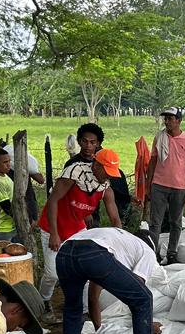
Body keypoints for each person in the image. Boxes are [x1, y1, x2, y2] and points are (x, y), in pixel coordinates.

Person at [56, 227, 168, 334]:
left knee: (72, 309)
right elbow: (136, 297)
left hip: (65, 253)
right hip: (93, 252)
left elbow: (93, 296)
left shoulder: (117, 240)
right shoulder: (146, 252)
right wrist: (147, 328)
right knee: (144, 298)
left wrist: (98, 330)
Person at [39, 130, 123, 305]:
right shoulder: (75, 172)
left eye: (111, 173)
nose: (108, 176)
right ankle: (44, 301)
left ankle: (84, 308)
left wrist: (120, 240)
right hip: (53, 225)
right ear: (97, 165)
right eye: (106, 171)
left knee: (85, 269)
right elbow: (53, 201)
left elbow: (115, 217)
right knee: (52, 273)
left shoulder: (105, 186)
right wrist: (54, 234)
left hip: (76, 228)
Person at [144, 108, 185, 264]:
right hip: (159, 185)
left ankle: (172, 252)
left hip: (179, 187)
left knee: (175, 222)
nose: (166, 122)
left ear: (179, 121)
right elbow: (152, 162)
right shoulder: (159, 138)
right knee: (155, 222)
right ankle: (152, 253)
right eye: (165, 119)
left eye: (170, 119)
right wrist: (148, 185)